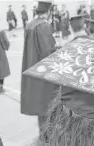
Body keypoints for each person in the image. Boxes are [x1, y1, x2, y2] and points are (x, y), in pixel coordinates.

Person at [21, 0, 57, 133]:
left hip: (32, 67)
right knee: (47, 102)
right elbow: (48, 51)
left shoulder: (30, 24)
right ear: (48, 12)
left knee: (40, 105)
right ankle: (48, 135)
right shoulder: (43, 26)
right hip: (43, 71)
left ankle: (43, 133)